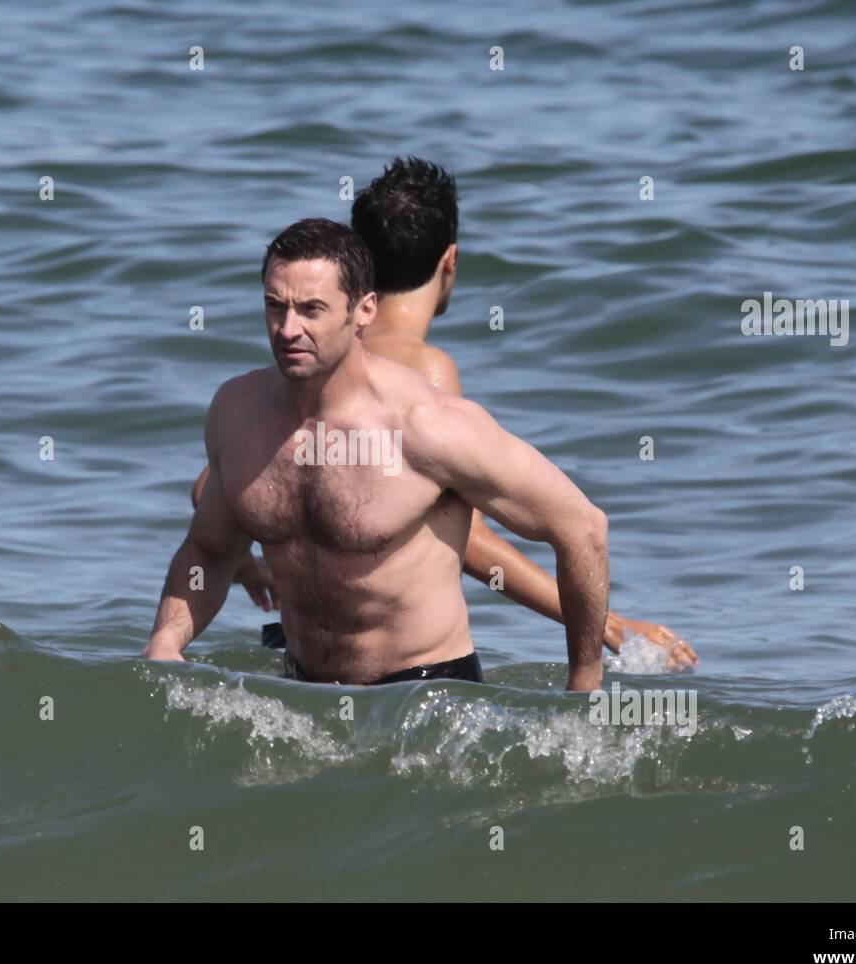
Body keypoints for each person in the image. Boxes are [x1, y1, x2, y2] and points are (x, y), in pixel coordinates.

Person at [195, 158, 697, 670]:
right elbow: (472, 540)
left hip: (303, 643)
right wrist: (608, 625)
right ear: (450, 261)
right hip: (391, 664)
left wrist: (252, 567)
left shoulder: (316, 363)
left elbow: (218, 486)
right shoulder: (426, 373)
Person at [145, 219, 610, 689]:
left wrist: (584, 678)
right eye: (275, 307)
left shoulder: (426, 426)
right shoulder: (236, 412)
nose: (288, 329)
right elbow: (211, 550)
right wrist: (167, 640)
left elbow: (581, 526)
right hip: (301, 686)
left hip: (425, 693)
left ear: (364, 310)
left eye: (311, 310)